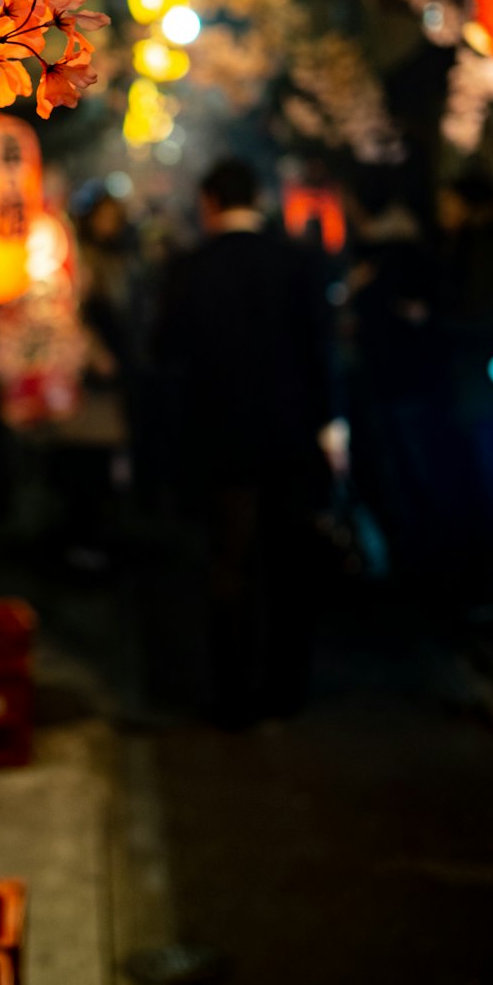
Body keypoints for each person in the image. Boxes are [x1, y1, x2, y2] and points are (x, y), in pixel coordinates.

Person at [158, 157, 340, 728]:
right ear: (257, 200)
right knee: (291, 563)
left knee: (230, 560)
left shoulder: (189, 268)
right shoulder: (296, 263)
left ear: (210, 201)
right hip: (289, 433)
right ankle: (286, 688)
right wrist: (329, 424)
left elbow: (166, 354)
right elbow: (322, 352)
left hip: (220, 435)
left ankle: (233, 696)